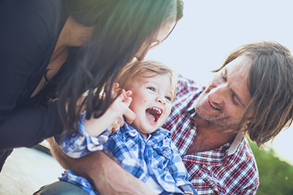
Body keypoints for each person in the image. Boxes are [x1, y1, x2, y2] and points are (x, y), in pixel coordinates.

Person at [41, 41, 293, 195]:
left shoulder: (243, 179)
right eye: (223, 76)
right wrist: (106, 173)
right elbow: (59, 122)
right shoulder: (159, 88)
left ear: (257, 120)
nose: (214, 95)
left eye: (235, 99)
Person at [0, 0, 184, 171]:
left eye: (153, 44)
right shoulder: (31, 14)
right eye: (145, 38)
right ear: (123, 16)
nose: (142, 54)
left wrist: (88, 108)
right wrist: (73, 108)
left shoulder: (80, 58)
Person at [53, 59, 197, 195]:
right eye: (152, 88)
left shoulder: (166, 142)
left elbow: (181, 180)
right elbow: (72, 145)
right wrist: (110, 112)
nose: (161, 100)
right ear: (121, 93)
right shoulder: (112, 124)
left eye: (168, 98)